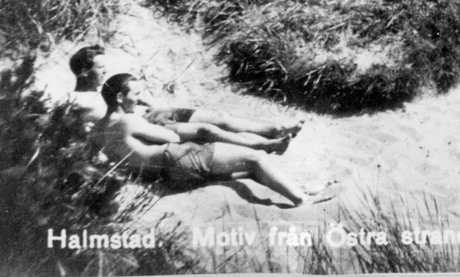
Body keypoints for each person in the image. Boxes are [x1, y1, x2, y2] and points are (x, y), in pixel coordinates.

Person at [97, 74, 317, 207]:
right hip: (177, 158)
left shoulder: (100, 129)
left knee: (248, 170)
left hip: (166, 174)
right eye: (136, 94)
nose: (139, 98)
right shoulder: (129, 121)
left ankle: (298, 189)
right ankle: (301, 200)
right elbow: (172, 137)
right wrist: (156, 123)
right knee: (255, 159)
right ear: (119, 97)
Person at [66, 46, 300, 143]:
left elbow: (137, 93)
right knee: (208, 133)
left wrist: (159, 105)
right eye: (101, 68)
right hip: (144, 127)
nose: (107, 71)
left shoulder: (106, 86)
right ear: (85, 72)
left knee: (219, 116)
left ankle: (275, 129)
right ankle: (267, 143)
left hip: (155, 114)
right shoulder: (77, 102)